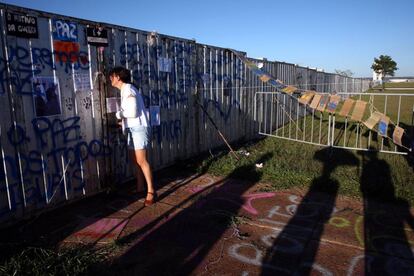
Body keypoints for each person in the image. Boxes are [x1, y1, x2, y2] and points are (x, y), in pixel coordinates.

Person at [109, 66, 156, 206]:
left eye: (111, 76)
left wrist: (118, 114)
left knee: (141, 161)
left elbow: (133, 112)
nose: (110, 79)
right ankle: (140, 187)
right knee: (135, 160)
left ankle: (151, 191)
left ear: (118, 77)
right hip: (131, 128)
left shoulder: (128, 89)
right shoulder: (125, 90)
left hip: (138, 128)